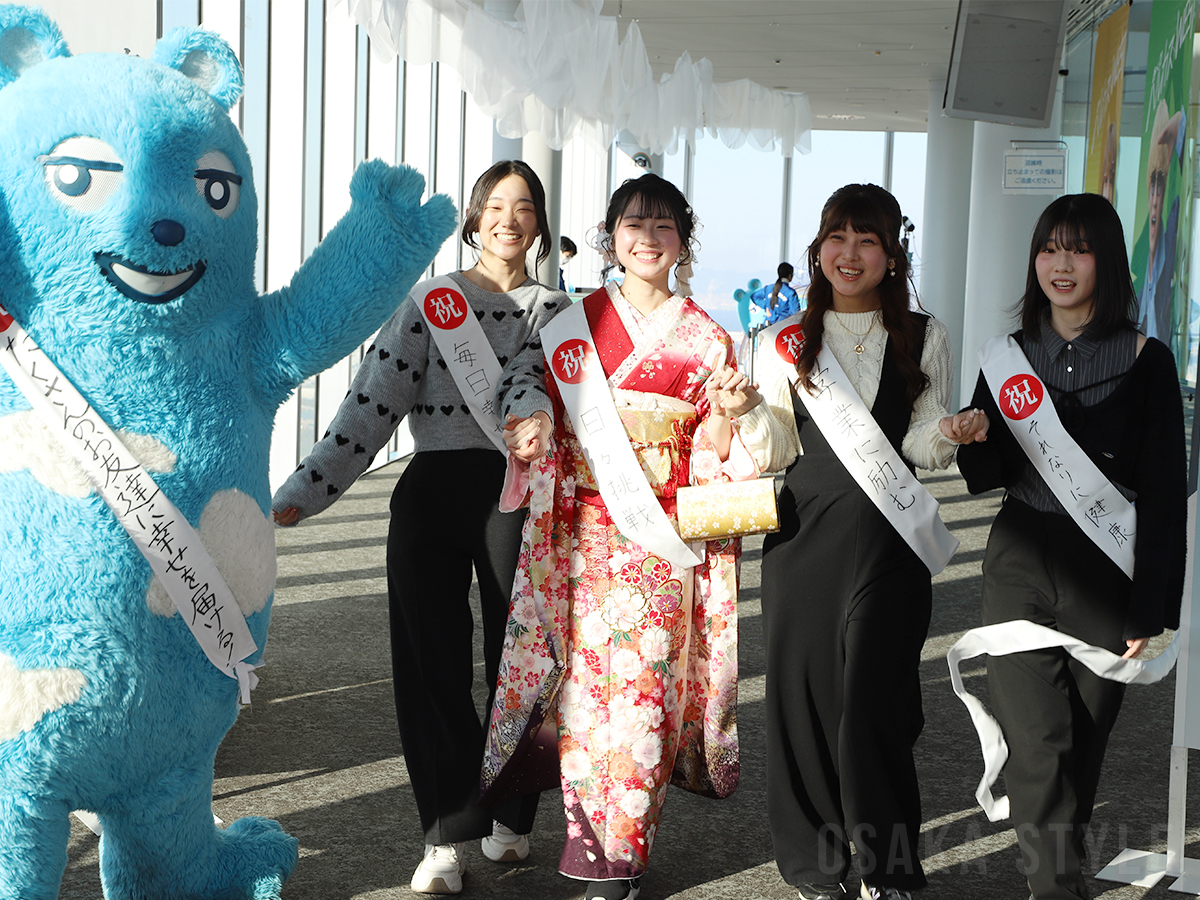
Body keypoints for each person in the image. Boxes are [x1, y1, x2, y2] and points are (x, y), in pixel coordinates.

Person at [271, 160, 570, 895]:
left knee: (520, 664)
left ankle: (510, 815)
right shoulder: (429, 304)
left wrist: (534, 420)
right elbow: (371, 405)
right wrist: (306, 491)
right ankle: (444, 833)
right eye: (494, 205)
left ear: (539, 223)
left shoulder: (557, 310)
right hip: (431, 490)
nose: (508, 218)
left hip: (517, 497)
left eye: (524, 206)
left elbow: (547, 389)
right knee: (428, 665)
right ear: (472, 219)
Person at [481, 173, 756, 900]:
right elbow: (531, 389)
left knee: (642, 700)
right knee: (580, 701)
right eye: (633, 225)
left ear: (683, 243)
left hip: (660, 545)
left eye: (664, 227)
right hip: (582, 539)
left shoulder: (706, 338)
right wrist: (533, 420)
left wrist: (726, 416)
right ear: (610, 238)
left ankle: (622, 855)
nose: (647, 238)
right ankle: (584, 842)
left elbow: (711, 451)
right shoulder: (575, 323)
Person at [732, 183, 984, 900]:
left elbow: (917, 435)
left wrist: (950, 432)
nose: (850, 254)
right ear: (817, 250)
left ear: (890, 255)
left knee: (879, 703)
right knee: (802, 702)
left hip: (890, 536)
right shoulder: (784, 340)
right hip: (804, 531)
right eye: (838, 238)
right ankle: (815, 866)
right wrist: (750, 409)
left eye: (867, 240)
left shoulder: (923, 334)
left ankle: (888, 867)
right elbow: (778, 446)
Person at [956, 193, 1186, 900]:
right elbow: (983, 479)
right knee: (1039, 741)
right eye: (1049, 248)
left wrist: (1152, 608)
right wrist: (973, 442)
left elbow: (1165, 495)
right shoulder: (1009, 357)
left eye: (1078, 249)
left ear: (1105, 261)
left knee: (1082, 747)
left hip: (1107, 573)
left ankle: (1059, 869)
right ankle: (1054, 888)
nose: (1060, 263)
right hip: (1020, 559)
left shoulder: (1148, 361)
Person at [1138, 101, 1185, 344]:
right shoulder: (1138, 277)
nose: (1155, 199)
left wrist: (1179, 122)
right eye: (1152, 182)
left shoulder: (1173, 227)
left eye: (1161, 181)